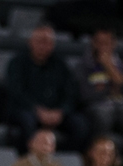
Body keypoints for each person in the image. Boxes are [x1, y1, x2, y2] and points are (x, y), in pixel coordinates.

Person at [5, 24, 89, 153]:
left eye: (48, 42)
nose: (43, 46)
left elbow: (71, 92)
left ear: (53, 45)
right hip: (27, 110)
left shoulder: (60, 65)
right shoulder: (17, 63)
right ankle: (29, 161)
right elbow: (16, 91)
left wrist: (61, 111)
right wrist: (37, 110)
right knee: (27, 122)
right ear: (30, 42)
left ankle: (63, 159)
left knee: (80, 125)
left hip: (56, 112)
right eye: (40, 41)